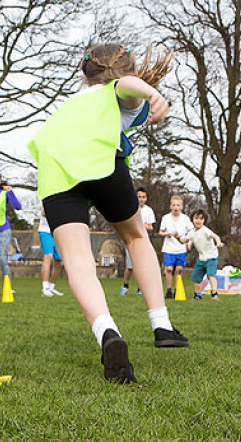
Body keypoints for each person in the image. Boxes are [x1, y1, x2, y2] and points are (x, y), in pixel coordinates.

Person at [27, 43, 189, 384]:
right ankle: (161, 324)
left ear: (86, 72)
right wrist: (152, 92)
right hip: (100, 163)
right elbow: (123, 87)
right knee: (135, 236)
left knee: (77, 261)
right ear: (124, 71)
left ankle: (107, 333)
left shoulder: (70, 103)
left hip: (55, 171)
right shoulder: (113, 92)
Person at [178, 210, 224, 301]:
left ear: (204, 221)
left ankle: (214, 293)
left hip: (211, 257)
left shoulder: (205, 230)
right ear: (192, 220)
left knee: (210, 275)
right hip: (201, 258)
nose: (198, 221)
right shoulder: (192, 232)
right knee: (195, 278)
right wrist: (179, 237)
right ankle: (198, 295)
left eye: (201, 219)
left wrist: (218, 242)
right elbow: (184, 240)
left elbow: (216, 236)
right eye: (196, 218)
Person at [120, 187, 156, 297]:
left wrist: (142, 225)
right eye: (139, 197)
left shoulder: (149, 211)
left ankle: (141, 288)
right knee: (130, 266)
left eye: (143, 197)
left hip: (143, 240)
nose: (141, 199)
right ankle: (125, 286)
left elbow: (150, 227)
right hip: (130, 240)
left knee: (142, 266)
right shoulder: (130, 208)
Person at [159, 195, 194, 299]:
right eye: (174, 205)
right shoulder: (165, 218)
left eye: (178, 205)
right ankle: (168, 290)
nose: (176, 207)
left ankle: (177, 290)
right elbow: (160, 232)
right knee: (169, 269)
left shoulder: (185, 219)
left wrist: (189, 243)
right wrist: (166, 234)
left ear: (181, 207)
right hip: (168, 248)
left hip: (180, 249)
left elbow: (191, 232)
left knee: (178, 270)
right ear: (170, 206)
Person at [38, 200, 64, 297]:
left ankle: (52, 287)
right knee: (48, 256)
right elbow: (44, 212)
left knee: (59, 260)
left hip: (57, 232)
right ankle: (45, 287)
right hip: (45, 231)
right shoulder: (48, 197)